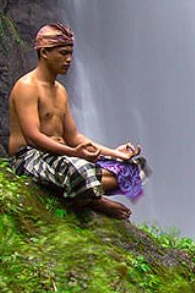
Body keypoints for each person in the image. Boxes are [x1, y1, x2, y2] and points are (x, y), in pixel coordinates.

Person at [8, 23, 146, 219]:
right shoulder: (26, 87)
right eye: (63, 53)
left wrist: (115, 154)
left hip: (63, 158)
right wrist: (74, 153)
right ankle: (95, 202)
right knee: (80, 170)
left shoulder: (60, 91)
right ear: (45, 52)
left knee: (136, 170)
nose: (68, 59)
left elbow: (73, 136)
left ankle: (83, 195)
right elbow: (32, 137)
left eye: (70, 53)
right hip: (30, 158)